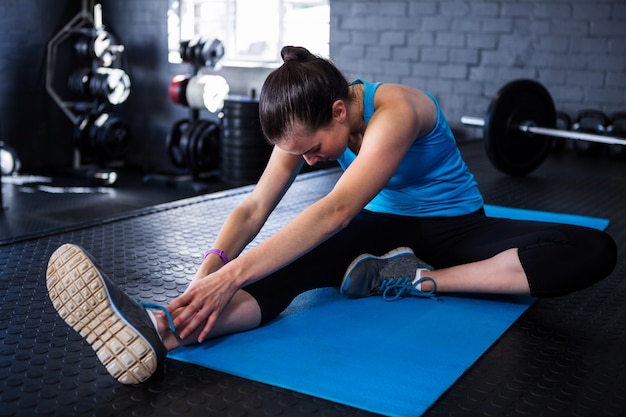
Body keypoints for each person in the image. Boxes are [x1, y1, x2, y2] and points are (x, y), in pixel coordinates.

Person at [46, 46, 617, 385]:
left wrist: (232, 274)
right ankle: (161, 330)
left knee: (592, 250)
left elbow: (338, 207)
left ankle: (415, 279)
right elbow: (252, 207)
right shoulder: (305, 120)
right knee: (286, 273)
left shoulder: (395, 110)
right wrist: (210, 272)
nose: (312, 158)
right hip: (380, 231)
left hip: (456, 226)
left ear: (341, 111)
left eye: (314, 147)